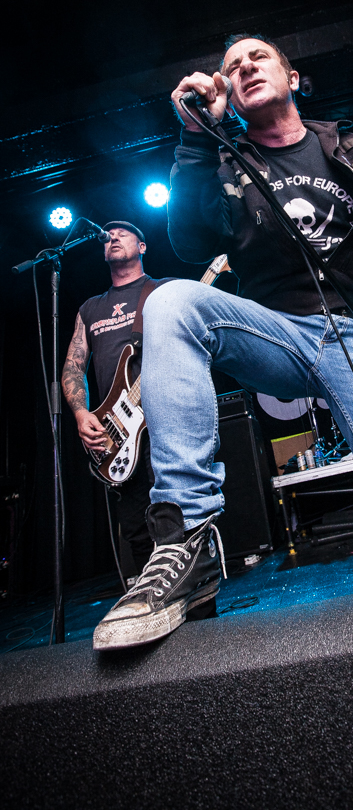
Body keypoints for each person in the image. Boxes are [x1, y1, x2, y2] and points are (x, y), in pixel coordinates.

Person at [92, 35, 353, 661]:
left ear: (292, 78)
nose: (244, 67)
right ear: (229, 94)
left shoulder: (352, 150)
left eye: (258, 58)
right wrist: (194, 136)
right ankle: (186, 536)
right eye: (232, 67)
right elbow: (189, 242)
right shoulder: (224, 161)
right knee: (171, 301)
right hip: (276, 331)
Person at [61, 222, 170, 577]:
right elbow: (73, 367)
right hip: (118, 430)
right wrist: (81, 414)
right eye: (108, 236)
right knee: (136, 527)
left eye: (123, 233)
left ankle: (192, 591)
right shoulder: (90, 309)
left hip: (163, 417)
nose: (113, 238)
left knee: (174, 509)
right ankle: (149, 591)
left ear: (142, 246)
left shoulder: (162, 291)